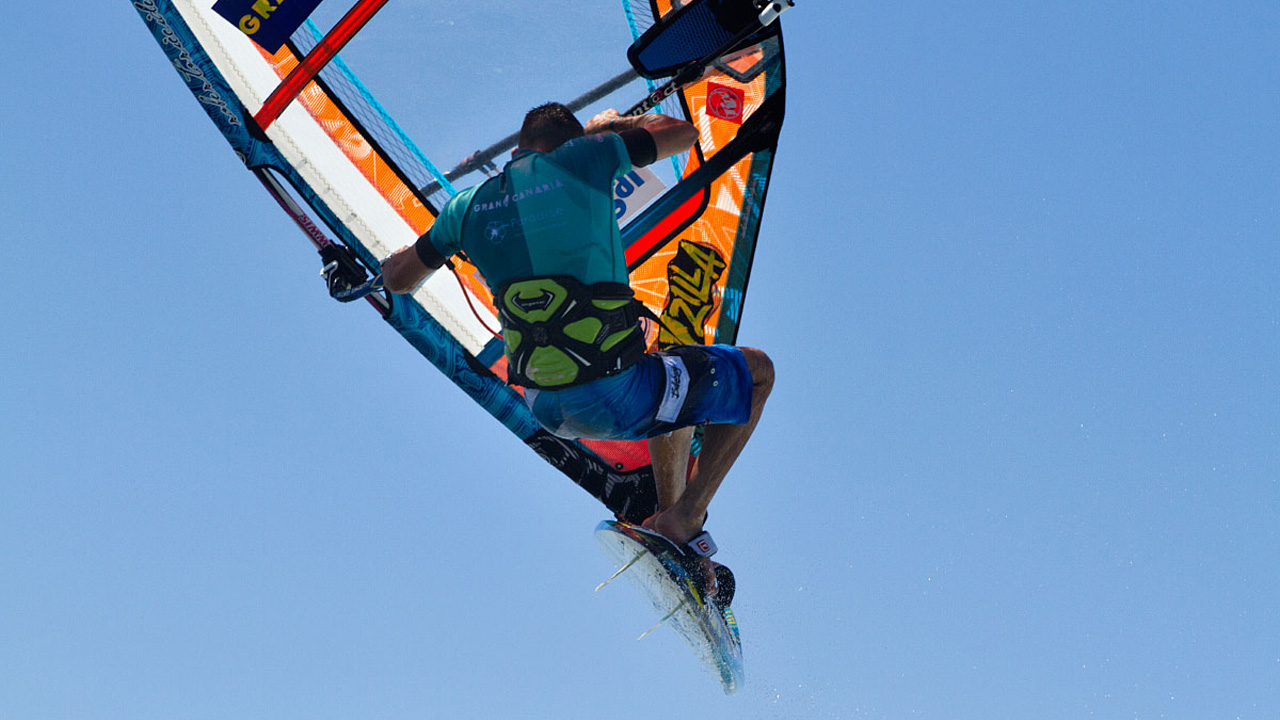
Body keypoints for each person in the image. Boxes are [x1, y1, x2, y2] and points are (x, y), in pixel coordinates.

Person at [380, 102, 773, 597]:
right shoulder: (586, 157)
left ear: (519, 148)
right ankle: (687, 517)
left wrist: (374, 266)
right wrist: (611, 129)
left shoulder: (465, 207)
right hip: (612, 394)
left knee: (675, 374)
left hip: (546, 408)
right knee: (757, 373)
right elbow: (683, 133)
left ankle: (667, 522)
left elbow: (396, 279)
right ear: (568, 141)